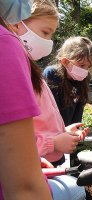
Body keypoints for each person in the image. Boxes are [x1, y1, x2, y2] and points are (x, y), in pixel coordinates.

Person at [9, 0, 87, 199]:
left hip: (37, 163)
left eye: (51, 34)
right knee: (78, 191)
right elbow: (12, 143)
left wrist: (62, 133)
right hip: (25, 176)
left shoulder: (29, 68)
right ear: (17, 24)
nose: (49, 41)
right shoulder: (16, 71)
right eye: (45, 32)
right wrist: (52, 143)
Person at [0, 1, 52, 199]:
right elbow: (25, 189)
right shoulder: (4, 44)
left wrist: (26, 160)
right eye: (46, 32)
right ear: (18, 25)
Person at [43, 36, 92, 126]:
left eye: (89, 66)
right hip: (52, 131)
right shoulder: (52, 74)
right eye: (81, 65)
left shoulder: (84, 77)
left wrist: (75, 130)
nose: (85, 70)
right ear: (65, 61)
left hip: (68, 131)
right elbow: (51, 110)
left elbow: (79, 109)